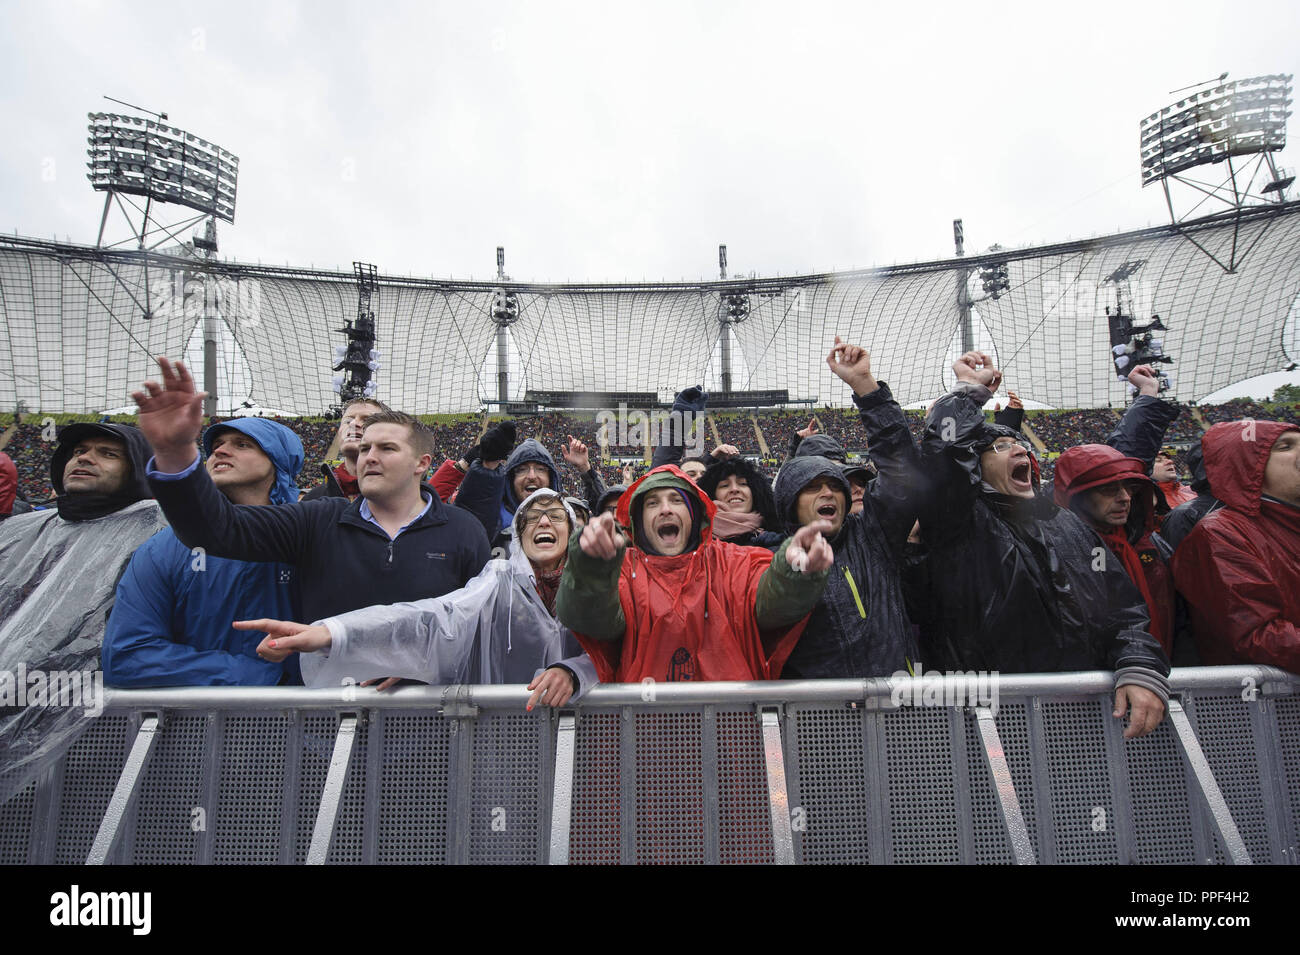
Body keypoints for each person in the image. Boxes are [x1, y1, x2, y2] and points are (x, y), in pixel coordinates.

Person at [915, 352, 1169, 738]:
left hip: (1085, 721)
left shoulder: (1069, 525)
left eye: (1020, 446)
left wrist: (1137, 663)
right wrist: (969, 392)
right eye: (999, 448)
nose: (1019, 450)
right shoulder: (962, 524)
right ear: (974, 470)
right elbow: (943, 456)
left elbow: (1122, 610)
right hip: (992, 725)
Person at [132, 358, 490, 630]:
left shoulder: (463, 530)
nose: (370, 457)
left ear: (421, 463)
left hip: (435, 716)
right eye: (364, 449)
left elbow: (480, 620)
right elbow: (215, 530)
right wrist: (177, 455)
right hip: (324, 719)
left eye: (387, 448)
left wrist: (427, 655)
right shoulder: (317, 518)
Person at [243, 489, 598, 707]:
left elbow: (616, 648)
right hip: (510, 730)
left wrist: (573, 671)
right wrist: (334, 634)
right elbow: (437, 618)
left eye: (554, 516)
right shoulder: (498, 579)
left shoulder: (594, 582)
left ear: (570, 529)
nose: (543, 523)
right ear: (519, 536)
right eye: (531, 518)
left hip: (586, 728)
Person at [0, 423, 168, 801]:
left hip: (93, 733)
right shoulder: (18, 531)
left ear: (138, 467)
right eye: (79, 451)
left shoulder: (161, 529)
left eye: (108, 453)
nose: (85, 458)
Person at [556, 463, 834, 684]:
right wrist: (591, 566)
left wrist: (795, 571)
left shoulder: (735, 561)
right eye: (652, 503)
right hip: (644, 734)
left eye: (676, 500)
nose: (665, 509)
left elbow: (773, 604)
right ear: (639, 522)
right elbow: (590, 620)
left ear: (694, 516)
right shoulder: (623, 570)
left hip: (731, 737)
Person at [101, 418, 305, 687]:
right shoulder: (162, 548)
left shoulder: (319, 536)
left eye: (242, 445)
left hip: (314, 724)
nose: (219, 451)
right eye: (216, 446)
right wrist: (255, 676)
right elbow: (126, 656)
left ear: (280, 462)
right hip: (194, 726)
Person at [771, 338, 922, 678]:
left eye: (835, 485)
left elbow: (901, 469)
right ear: (790, 501)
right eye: (812, 487)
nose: (828, 493)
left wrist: (866, 388)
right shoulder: (771, 557)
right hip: (824, 723)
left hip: (904, 711)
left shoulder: (873, 536)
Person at [1171, 420, 1300, 672]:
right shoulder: (1219, 534)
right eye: (1285, 447)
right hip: (1262, 704)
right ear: (1249, 464)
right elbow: (1255, 635)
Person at [1052, 445, 1175, 657]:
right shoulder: (1055, 556)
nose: (1125, 497)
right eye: (1109, 489)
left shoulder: (1144, 543)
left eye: (1129, 487)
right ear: (1077, 497)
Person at [301, 398, 391, 501]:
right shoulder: (313, 499)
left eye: (367, 420)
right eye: (348, 421)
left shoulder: (404, 497)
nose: (353, 424)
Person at [696, 455, 784, 548]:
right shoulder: (694, 540)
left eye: (742, 484)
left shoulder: (779, 542)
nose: (734, 489)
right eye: (725, 485)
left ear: (754, 492)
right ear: (712, 495)